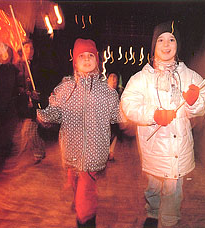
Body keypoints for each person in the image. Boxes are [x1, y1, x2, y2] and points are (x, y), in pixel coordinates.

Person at [121, 20, 205, 228]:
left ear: (178, 45)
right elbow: (129, 104)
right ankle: (152, 211)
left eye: (171, 39)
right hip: (154, 149)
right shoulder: (141, 79)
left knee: (173, 189)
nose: (166, 44)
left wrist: (194, 101)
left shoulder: (190, 76)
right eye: (160, 40)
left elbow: (203, 104)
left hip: (179, 150)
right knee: (153, 186)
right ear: (154, 46)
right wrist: (153, 115)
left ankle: (169, 221)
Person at [37, 38, 121, 228]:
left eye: (90, 55)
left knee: (86, 198)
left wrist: (133, 116)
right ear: (75, 61)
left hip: (93, 155)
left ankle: (86, 221)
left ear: (97, 60)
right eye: (81, 56)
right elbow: (55, 112)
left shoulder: (106, 91)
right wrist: (42, 112)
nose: (86, 59)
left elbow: (117, 114)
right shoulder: (66, 88)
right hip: (72, 153)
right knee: (78, 189)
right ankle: (80, 206)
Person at [14, 39, 46, 164]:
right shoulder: (17, 66)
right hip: (20, 104)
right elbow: (15, 85)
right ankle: (39, 151)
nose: (29, 50)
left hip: (31, 106)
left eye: (31, 48)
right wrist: (22, 91)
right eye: (26, 47)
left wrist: (37, 94)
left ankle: (15, 159)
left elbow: (40, 85)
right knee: (30, 130)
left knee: (28, 130)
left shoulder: (35, 67)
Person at [107, 73, 123, 161]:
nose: (113, 81)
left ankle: (111, 152)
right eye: (111, 78)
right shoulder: (103, 92)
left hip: (114, 119)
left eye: (115, 79)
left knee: (114, 134)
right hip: (104, 118)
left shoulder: (118, 92)